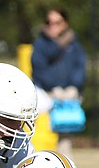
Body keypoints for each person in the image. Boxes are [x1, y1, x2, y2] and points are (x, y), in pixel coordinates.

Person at [30, 8, 87, 157]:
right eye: (49, 22)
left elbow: (80, 67)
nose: (52, 26)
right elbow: (38, 68)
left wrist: (73, 87)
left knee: (65, 134)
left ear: (65, 23)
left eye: (57, 22)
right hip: (44, 92)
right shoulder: (40, 44)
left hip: (68, 94)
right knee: (34, 128)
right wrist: (53, 87)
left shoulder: (75, 45)